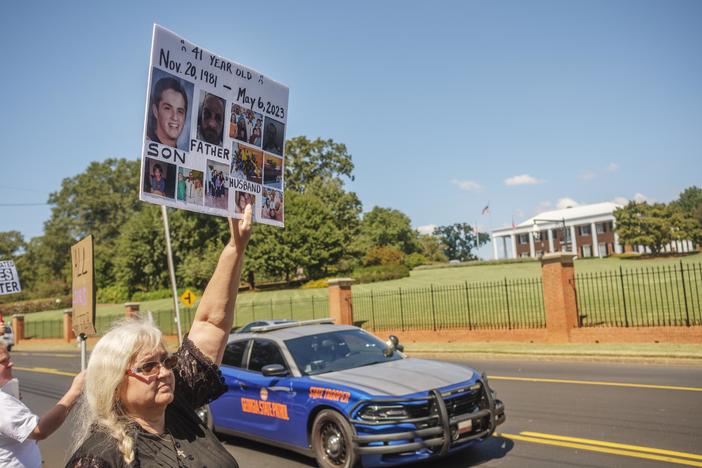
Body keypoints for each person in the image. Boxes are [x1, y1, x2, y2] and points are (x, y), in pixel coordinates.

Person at [66, 206, 253, 468]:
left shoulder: (177, 404)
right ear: (115, 385)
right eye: (149, 366)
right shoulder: (98, 457)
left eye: (166, 361)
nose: (164, 372)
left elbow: (211, 323)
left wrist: (235, 246)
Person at [1, 341, 84, 468]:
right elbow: (40, 430)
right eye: (3, 361)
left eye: (9, 359)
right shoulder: (3, 404)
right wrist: (75, 392)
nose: (10, 364)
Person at [147, 77, 188, 149]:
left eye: (180, 111)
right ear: (155, 111)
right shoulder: (145, 145)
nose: (175, 117)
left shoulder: (185, 157)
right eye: (168, 108)